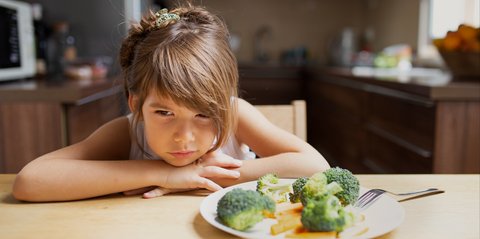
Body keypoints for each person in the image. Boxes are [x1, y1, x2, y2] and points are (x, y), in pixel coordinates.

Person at [12, 4, 329, 202]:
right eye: (164, 112)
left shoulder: (235, 114)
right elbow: (30, 181)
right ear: (135, 104)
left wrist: (206, 173)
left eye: (204, 114)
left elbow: (316, 166)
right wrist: (161, 173)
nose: (184, 137)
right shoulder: (128, 132)